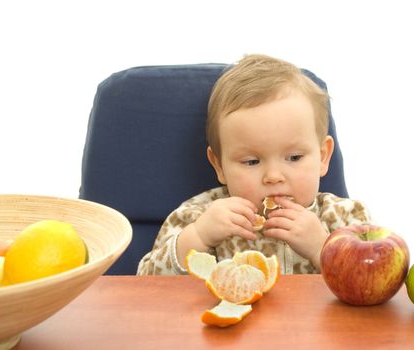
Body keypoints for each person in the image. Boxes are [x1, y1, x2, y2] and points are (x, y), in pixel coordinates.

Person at [137, 54, 371, 276]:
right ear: (219, 166)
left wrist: (323, 248)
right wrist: (199, 236)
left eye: (294, 158)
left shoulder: (345, 219)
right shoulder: (197, 216)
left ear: (322, 157)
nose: (273, 176)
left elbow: (373, 289)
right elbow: (145, 283)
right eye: (252, 161)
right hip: (230, 318)